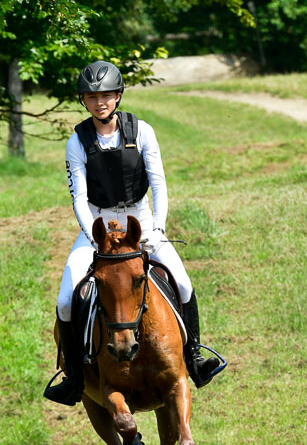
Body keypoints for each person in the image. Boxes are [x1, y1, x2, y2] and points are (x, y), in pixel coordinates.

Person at [44, 60, 221, 406]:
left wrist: (158, 227)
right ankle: (74, 378)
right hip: (98, 226)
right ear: (84, 101)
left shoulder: (142, 132)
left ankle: (195, 359)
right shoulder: (77, 142)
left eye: (106, 95)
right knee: (66, 299)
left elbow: (159, 184)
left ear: (118, 96)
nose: (99, 103)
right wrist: (94, 236)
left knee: (183, 284)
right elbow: (79, 197)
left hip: (141, 220)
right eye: (92, 97)